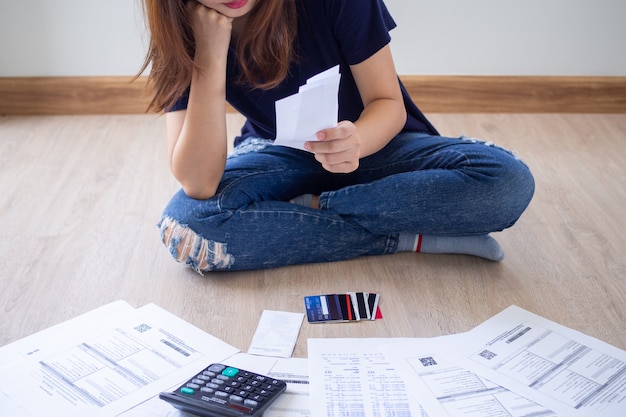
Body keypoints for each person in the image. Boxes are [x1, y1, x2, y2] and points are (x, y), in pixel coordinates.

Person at [139, 0, 535, 272]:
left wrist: (357, 140)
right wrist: (209, 55)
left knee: (506, 181)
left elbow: (387, 103)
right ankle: (407, 236)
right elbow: (198, 181)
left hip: (376, 145)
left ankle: (303, 211)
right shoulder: (181, 28)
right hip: (278, 151)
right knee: (188, 224)